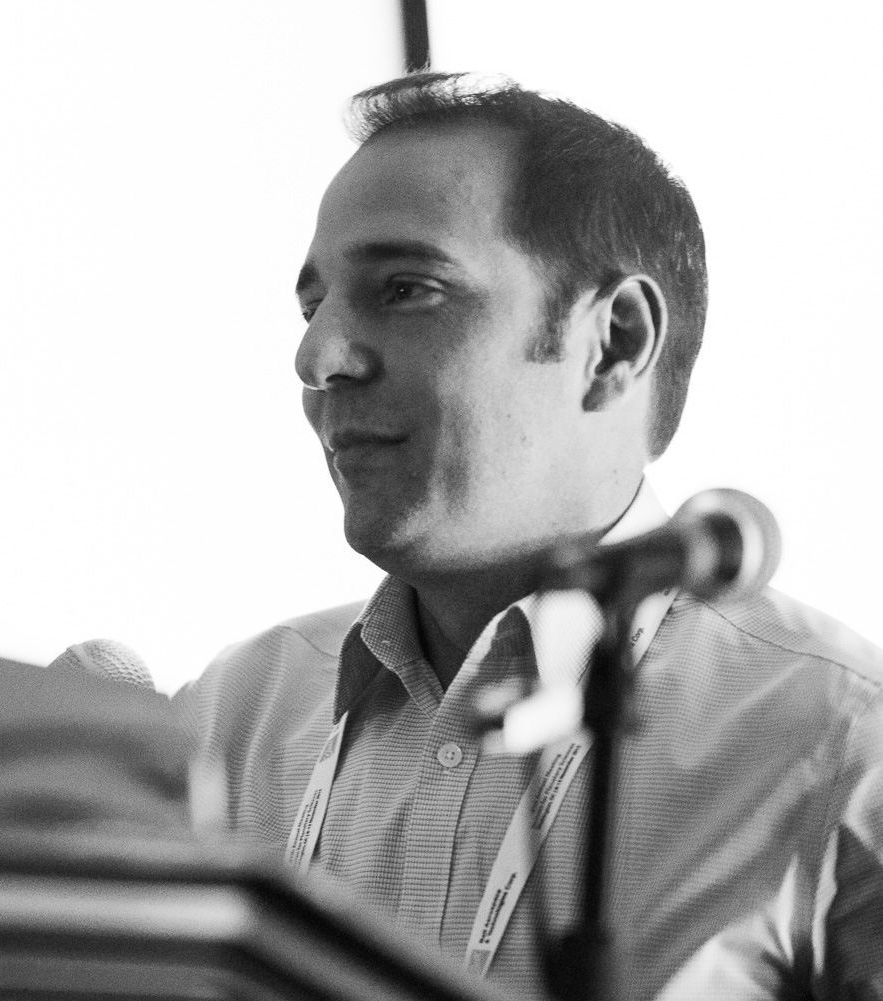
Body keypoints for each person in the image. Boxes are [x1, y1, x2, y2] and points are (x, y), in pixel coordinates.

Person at [173, 73, 883, 1000]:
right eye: (314, 309)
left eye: (406, 289)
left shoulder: (841, 746)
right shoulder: (225, 723)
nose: (317, 358)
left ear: (614, 342)